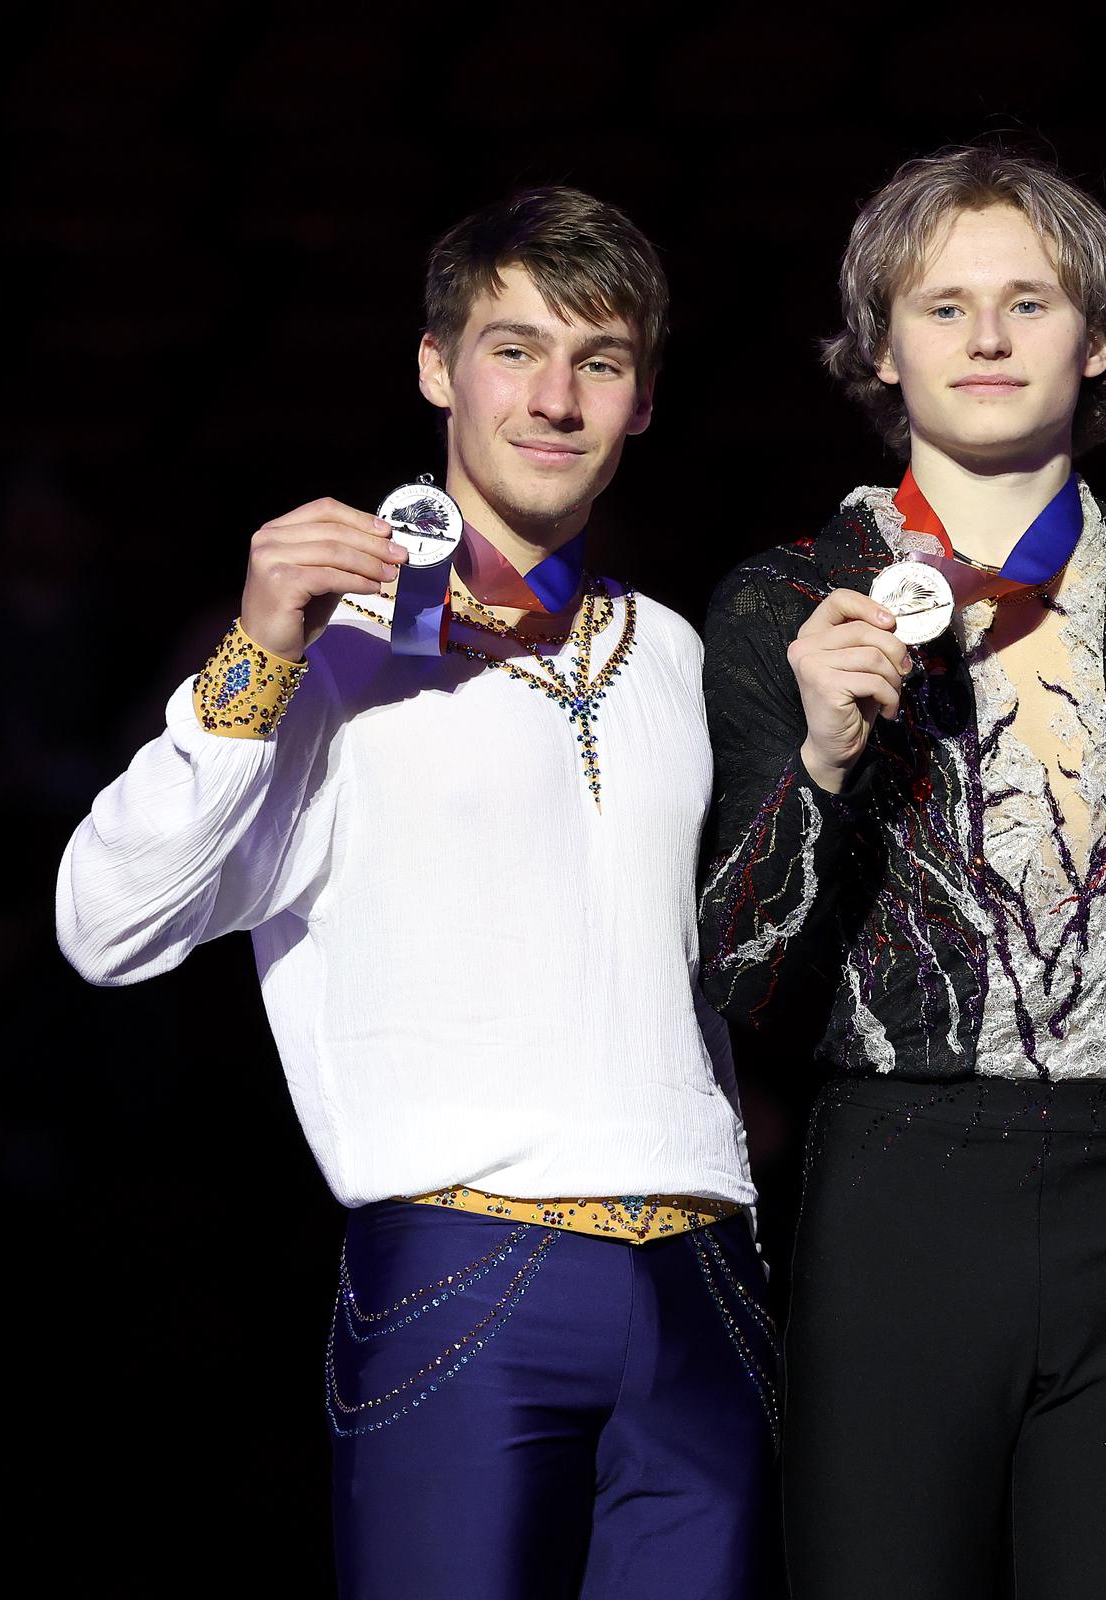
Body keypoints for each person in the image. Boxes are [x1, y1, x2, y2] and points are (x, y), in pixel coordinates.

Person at [56, 186, 777, 1598]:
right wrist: (258, 651)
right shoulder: (330, 649)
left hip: (706, 1277)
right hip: (465, 1276)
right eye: (515, 349)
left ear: (642, 402)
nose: (556, 397)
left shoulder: (680, 651)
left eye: (602, 361)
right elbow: (105, 924)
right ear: (438, 366)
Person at [697, 145, 1106, 1600]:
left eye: (1029, 301)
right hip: (901, 1184)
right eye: (943, 307)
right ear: (880, 345)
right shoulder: (786, 599)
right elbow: (738, 976)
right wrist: (817, 760)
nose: (987, 340)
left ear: (1101, 334)